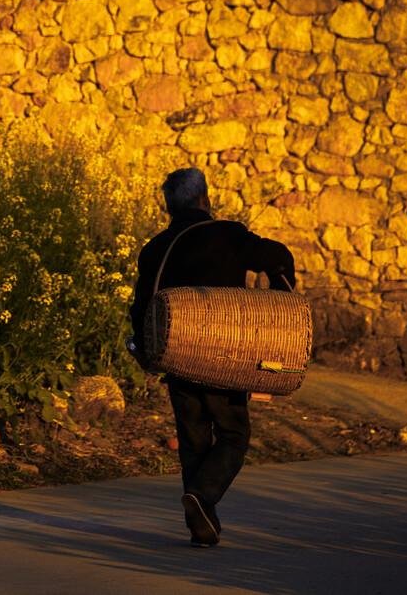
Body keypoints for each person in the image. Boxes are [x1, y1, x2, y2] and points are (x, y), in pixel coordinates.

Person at [128, 167, 296, 548]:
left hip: (177, 356)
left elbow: (141, 307)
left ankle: (201, 522)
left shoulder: (157, 248)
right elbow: (278, 257)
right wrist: (280, 300)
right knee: (234, 433)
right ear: (204, 199)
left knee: (193, 439)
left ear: (168, 206)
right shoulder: (228, 234)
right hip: (226, 355)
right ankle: (202, 498)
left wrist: (144, 349)